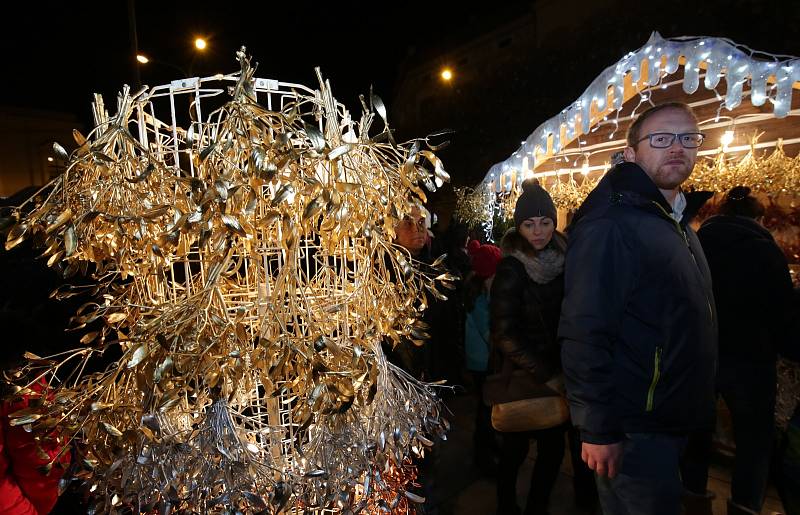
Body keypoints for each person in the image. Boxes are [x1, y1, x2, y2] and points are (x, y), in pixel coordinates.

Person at [559, 102, 717, 515]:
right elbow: (584, 330)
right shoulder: (613, 222)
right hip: (635, 429)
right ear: (631, 153)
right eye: (661, 139)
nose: (677, 148)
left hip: (670, 419)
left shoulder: (673, 221)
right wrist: (597, 428)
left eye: (688, 138)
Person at [681, 186, 797, 515]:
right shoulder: (766, 251)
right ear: (759, 218)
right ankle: (745, 506)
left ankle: (692, 499)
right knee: (754, 442)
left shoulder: (699, 243)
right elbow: (782, 311)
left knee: (697, 432)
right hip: (751, 362)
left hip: (703, 355)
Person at [490, 179, 595, 515]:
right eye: (529, 224)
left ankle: (537, 507)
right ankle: (506, 507)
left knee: (551, 455)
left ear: (554, 222)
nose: (538, 232)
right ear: (518, 227)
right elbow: (503, 333)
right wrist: (547, 373)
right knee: (514, 453)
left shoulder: (566, 262)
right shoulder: (511, 268)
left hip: (558, 376)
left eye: (545, 222)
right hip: (525, 377)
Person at [463, 242, 502, 473]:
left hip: (481, 361)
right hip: (481, 362)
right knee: (485, 410)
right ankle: (483, 455)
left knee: (487, 408)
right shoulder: (479, 298)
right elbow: (489, 333)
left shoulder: (481, 291)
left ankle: (487, 448)